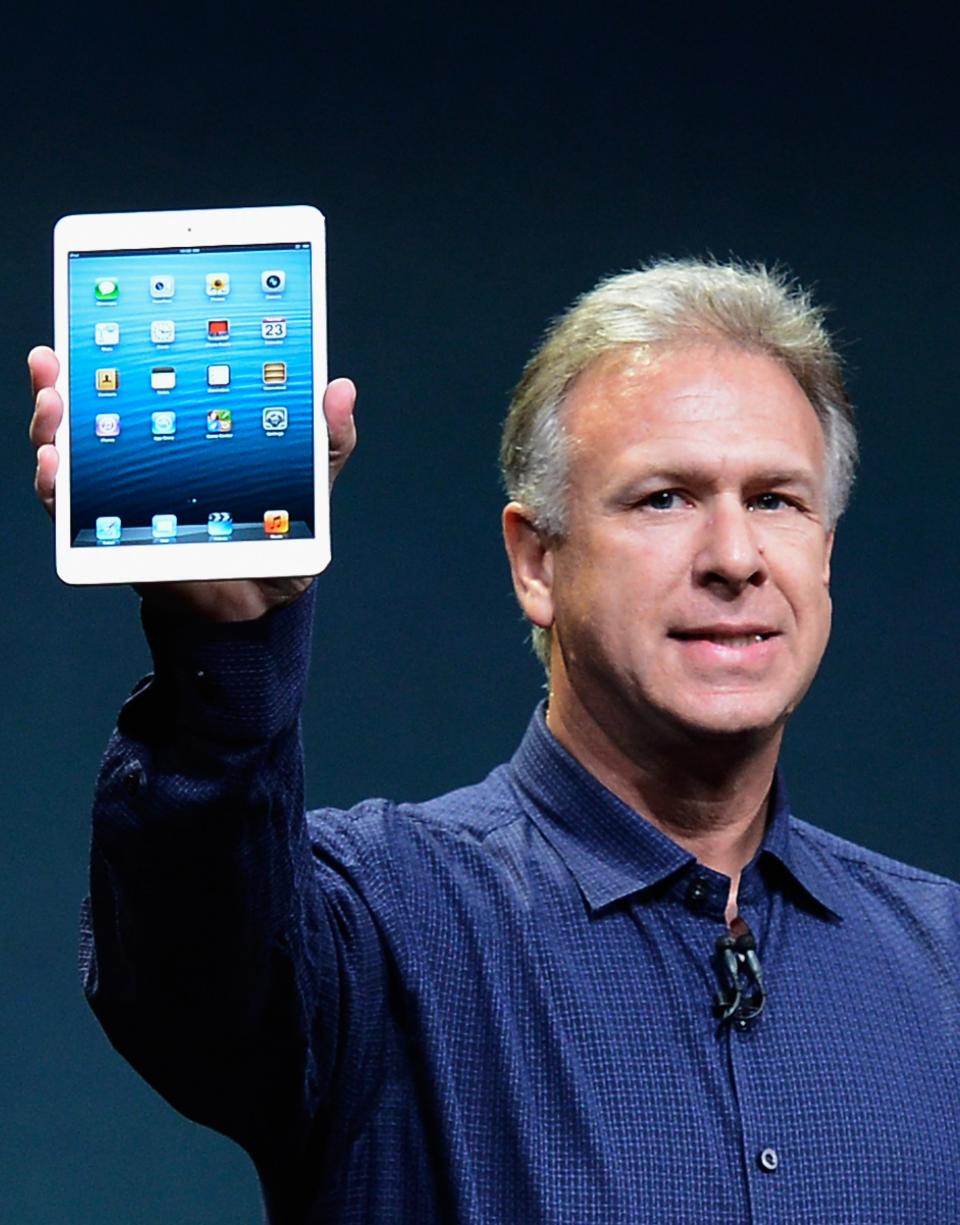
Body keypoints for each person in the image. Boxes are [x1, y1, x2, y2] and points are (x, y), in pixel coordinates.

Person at [29, 260, 960, 1224]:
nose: (735, 558)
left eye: (776, 499)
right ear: (536, 563)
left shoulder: (946, 964)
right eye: (665, 499)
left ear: (826, 552)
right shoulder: (373, 929)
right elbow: (195, 972)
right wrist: (227, 643)